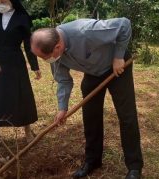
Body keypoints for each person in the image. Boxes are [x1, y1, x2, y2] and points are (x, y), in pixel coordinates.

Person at [31, 18, 143, 179]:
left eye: (45, 58)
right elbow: (63, 80)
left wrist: (118, 56)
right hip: (93, 73)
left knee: (127, 116)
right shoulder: (54, 53)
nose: (45, 61)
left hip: (117, 68)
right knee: (91, 117)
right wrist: (62, 108)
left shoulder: (86, 31)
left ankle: (134, 167)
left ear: (58, 46)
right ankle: (93, 161)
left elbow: (124, 24)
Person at [0, 0, 41, 147]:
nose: (0, 3)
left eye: (3, 0)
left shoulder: (22, 17)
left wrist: (34, 65)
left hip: (15, 62)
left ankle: (27, 130)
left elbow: (29, 43)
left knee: (21, 95)